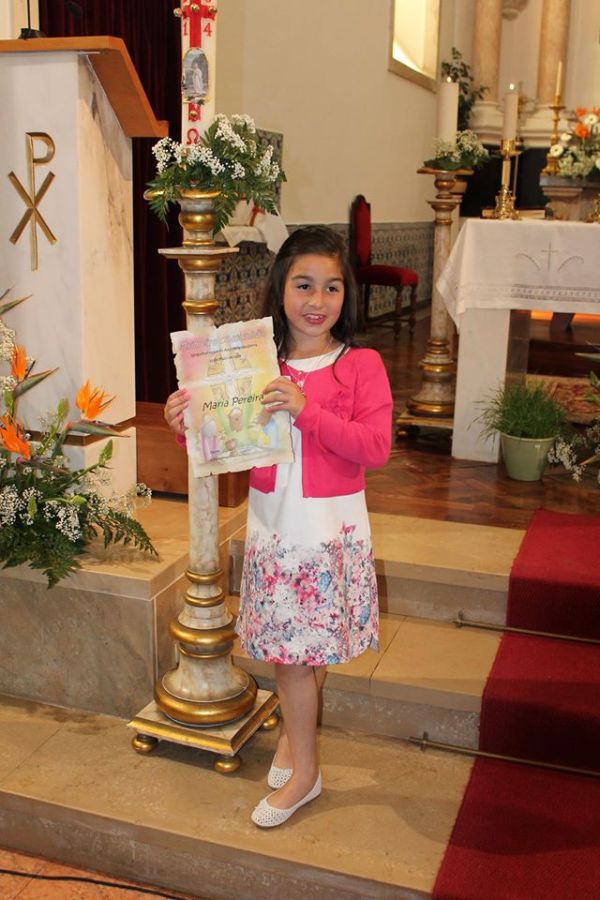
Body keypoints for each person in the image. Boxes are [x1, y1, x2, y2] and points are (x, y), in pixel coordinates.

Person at [164, 226, 393, 827]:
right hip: (275, 527)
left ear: (347, 295)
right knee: (295, 654)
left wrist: (306, 410)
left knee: (301, 655)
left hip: (328, 530)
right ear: (280, 288)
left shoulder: (360, 364)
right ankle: (297, 737)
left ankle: (305, 773)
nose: (318, 301)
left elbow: (375, 447)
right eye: (303, 285)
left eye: (332, 287)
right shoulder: (255, 363)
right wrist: (187, 423)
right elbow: (225, 440)